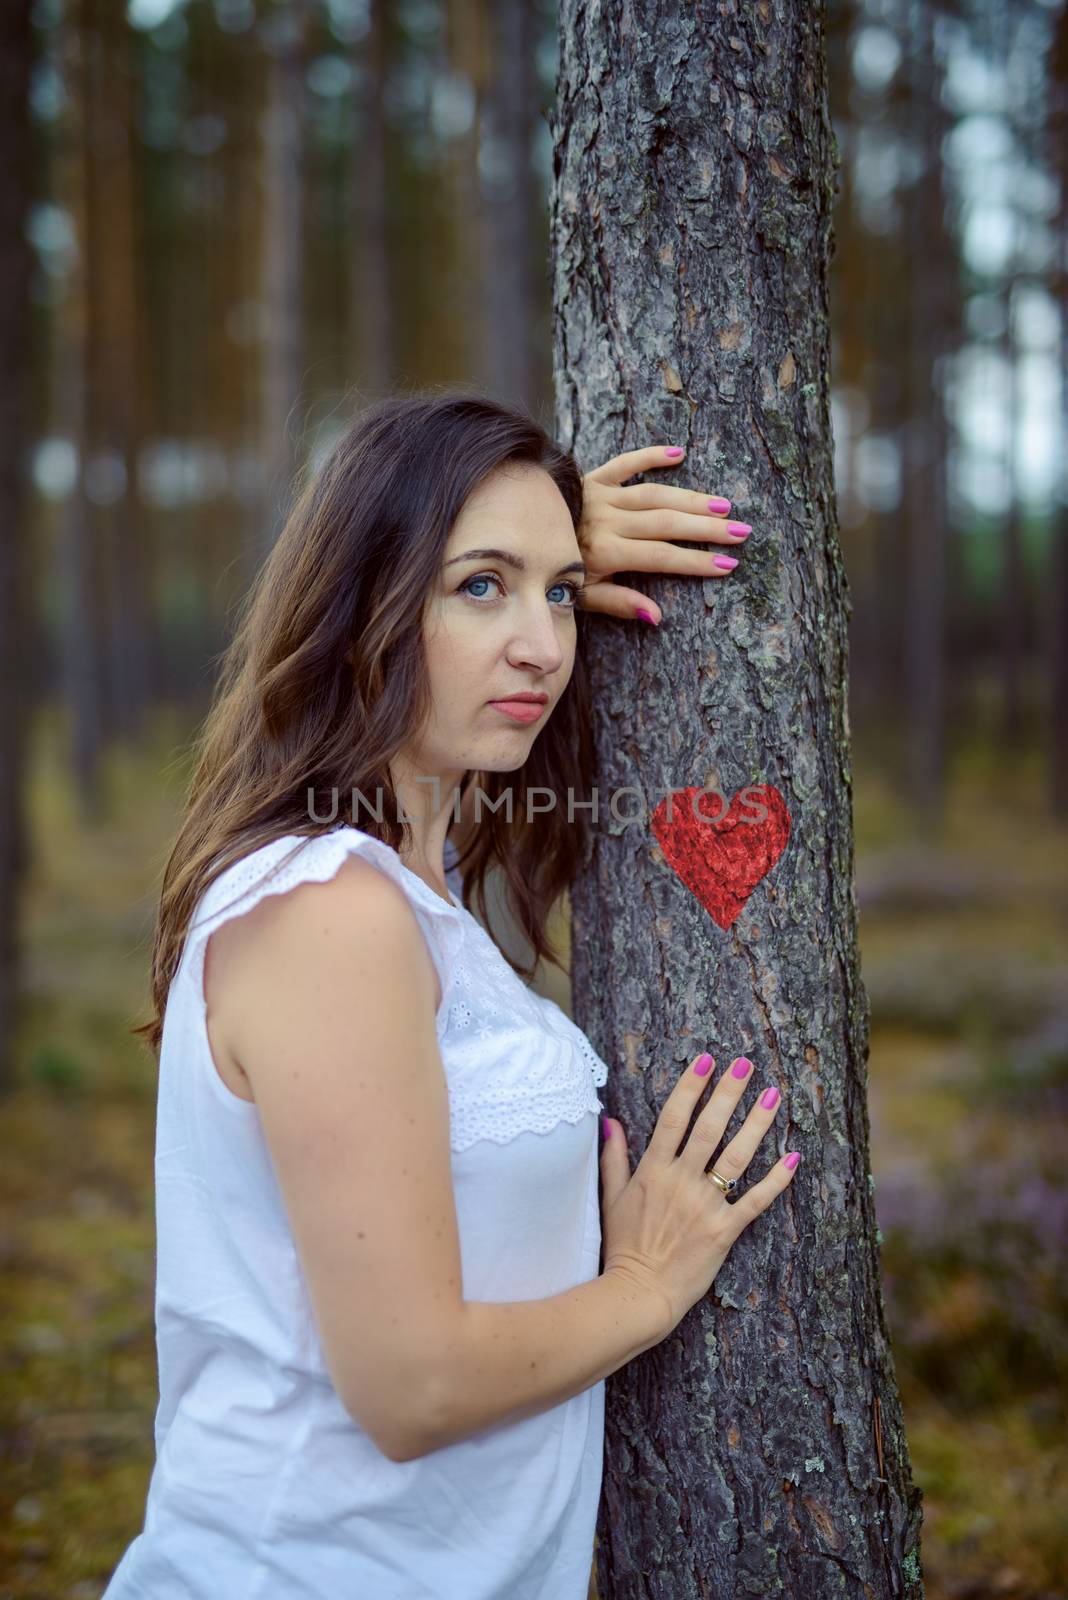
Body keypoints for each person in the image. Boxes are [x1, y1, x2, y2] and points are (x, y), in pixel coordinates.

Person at [103, 391, 796, 1600]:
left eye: (562, 593)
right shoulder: (331, 911)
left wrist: (531, 533)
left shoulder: (420, 878)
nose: (543, 642)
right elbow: (411, 1386)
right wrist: (642, 1285)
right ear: (365, 601)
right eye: (482, 588)